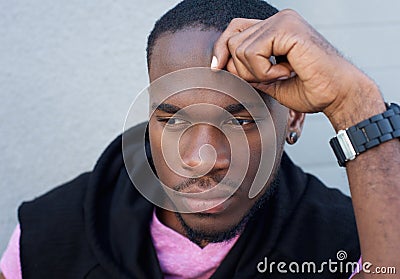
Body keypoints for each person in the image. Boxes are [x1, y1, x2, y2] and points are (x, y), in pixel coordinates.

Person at [1, 0, 399, 278]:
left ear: (293, 118)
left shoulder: (348, 242)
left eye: (240, 122)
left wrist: (355, 102)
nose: (200, 159)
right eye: (174, 121)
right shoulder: (48, 234)